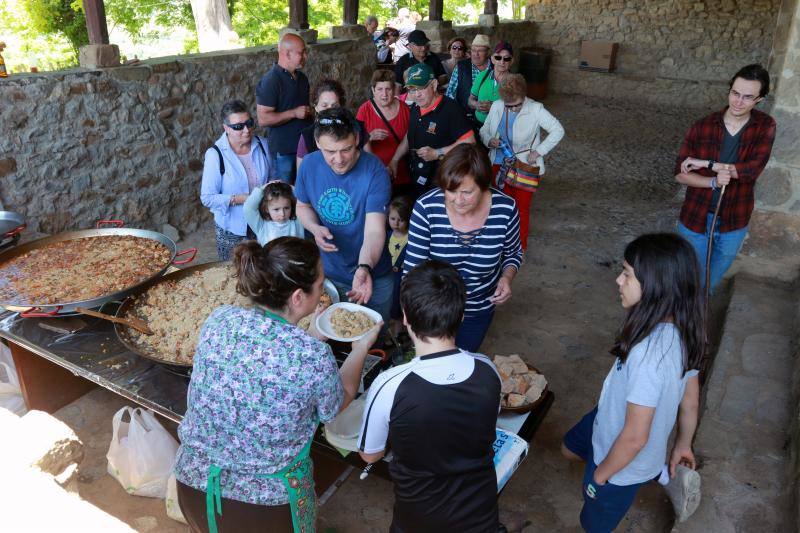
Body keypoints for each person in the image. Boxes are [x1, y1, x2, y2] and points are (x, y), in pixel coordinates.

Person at [174, 237, 381, 533]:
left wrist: (310, 335)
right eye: (321, 282)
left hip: (194, 484)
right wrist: (361, 347)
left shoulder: (220, 319)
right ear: (298, 297)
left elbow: (263, 360)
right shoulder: (311, 357)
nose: (323, 288)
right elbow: (340, 400)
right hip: (264, 509)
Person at [561, 233, 705, 531]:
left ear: (656, 287)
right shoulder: (684, 330)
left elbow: (635, 437)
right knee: (568, 448)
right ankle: (658, 471)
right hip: (609, 417)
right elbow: (690, 401)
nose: (618, 280)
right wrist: (682, 444)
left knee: (594, 522)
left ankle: (651, 472)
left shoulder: (647, 357)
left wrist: (603, 477)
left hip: (623, 463)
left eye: (627, 274)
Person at [358, 260, 501, 532]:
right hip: (480, 514)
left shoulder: (389, 384)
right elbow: (481, 428)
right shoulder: (488, 370)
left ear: (406, 318)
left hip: (419, 518)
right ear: (461, 316)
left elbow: (370, 455)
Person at [403, 143, 522, 353]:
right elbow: (413, 269)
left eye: (467, 192)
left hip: (479, 309)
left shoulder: (505, 209)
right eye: (450, 191)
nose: (458, 200)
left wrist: (506, 277)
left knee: (465, 357)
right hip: (434, 310)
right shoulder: (427, 207)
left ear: (484, 185)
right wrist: (410, 311)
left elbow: (513, 253)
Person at [674, 64, 776, 292]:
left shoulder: (765, 126)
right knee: (689, 281)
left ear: (760, 99)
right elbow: (680, 174)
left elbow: (751, 171)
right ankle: (683, 321)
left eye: (748, 97)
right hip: (695, 216)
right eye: (735, 93)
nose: (738, 102)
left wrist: (707, 164)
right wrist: (712, 180)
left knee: (709, 282)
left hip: (734, 219)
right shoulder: (702, 126)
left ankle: (698, 314)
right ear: (729, 90)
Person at [294, 107, 394, 326]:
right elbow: (301, 205)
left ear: (357, 138)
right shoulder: (309, 165)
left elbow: (375, 230)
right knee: (336, 336)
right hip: (330, 273)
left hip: (374, 275)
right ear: (317, 142)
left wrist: (364, 267)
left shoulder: (374, 171)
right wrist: (314, 227)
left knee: (375, 335)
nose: (338, 159)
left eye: (346, 149)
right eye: (330, 151)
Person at [480, 73, 565, 252]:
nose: (512, 109)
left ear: (524, 96)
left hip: (524, 166)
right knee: (499, 207)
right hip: (498, 164)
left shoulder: (536, 108)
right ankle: (498, 246)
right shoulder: (496, 106)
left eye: (517, 105)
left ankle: (519, 249)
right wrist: (489, 140)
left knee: (520, 209)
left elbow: (558, 130)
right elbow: (484, 129)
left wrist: (539, 151)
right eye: (508, 106)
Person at [201, 99, 274, 261]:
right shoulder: (215, 155)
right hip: (232, 228)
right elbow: (207, 198)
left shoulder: (263, 145)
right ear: (226, 128)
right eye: (238, 127)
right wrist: (240, 199)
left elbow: (272, 176)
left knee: (263, 269)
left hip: (262, 222)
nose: (246, 130)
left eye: (249, 123)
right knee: (232, 273)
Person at [395, 63, 476, 198]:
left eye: (421, 88)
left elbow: (470, 142)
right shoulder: (416, 107)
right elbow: (409, 136)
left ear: (434, 84)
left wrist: (437, 153)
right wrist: (394, 160)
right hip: (417, 175)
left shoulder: (451, 109)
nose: (416, 95)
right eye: (412, 89)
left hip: (441, 179)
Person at [256, 33, 312, 183]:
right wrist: (294, 113)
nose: (305, 56)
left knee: (304, 190)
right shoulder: (271, 80)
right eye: (302, 52)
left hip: (305, 146)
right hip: (284, 151)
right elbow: (263, 118)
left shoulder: (302, 78)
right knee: (285, 195)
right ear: (287, 53)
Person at [356, 70, 412, 196]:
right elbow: (355, 140)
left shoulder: (404, 109)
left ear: (394, 89)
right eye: (380, 89)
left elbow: (410, 136)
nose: (384, 94)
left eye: (388, 89)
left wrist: (394, 161)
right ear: (373, 90)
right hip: (373, 174)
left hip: (401, 173)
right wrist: (369, 137)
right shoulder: (364, 110)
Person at [296, 79, 367, 169]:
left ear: (341, 106)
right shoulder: (307, 136)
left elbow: (368, 164)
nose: (330, 110)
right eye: (324, 105)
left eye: (334, 106)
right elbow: (301, 173)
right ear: (316, 106)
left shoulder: (356, 127)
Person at [446, 34, 492, 127]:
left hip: (492, 118)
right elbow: (450, 94)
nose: (476, 54)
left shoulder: (495, 67)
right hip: (466, 119)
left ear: (487, 52)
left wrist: (493, 106)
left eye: (480, 51)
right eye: (473, 50)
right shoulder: (461, 67)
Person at [243, 181, 305, 246]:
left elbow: (303, 198)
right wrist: (263, 189)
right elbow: (248, 207)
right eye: (276, 209)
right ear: (267, 209)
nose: (282, 214)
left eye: (286, 208)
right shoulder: (261, 226)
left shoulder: (297, 221)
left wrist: (287, 186)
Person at [470, 41, 514, 125]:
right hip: (478, 124)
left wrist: (493, 108)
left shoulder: (515, 82)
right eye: (498, 57)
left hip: (501, 128)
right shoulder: (482, 76)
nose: (502, 62)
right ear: (493, 59)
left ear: (511, 61)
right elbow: (470, 99)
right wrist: (476, 105)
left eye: (506, 58)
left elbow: (517, 110)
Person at [386, 195, 411, 335]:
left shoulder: (411, 237)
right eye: (393, 219)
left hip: (401, 276)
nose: (396, 223)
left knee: (397, 302)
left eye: (401, 220)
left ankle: (398, 331)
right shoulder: (386, 234)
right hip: (388, 274)